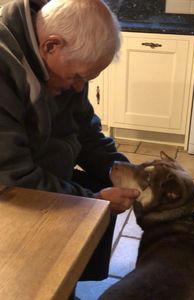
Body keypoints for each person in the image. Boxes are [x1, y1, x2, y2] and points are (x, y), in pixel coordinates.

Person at [0, 0, 139, 298]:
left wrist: (123, 169)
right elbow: (13, 178)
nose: (79, 87)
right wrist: (92, 203)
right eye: (76, 77)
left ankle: (68, 281)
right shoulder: (4, 67)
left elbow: (86, 131)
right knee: (33, 276)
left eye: (85, 80)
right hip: (9, 194)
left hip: (39, 173)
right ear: (51, 45)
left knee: (103, 187)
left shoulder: (64, 59)